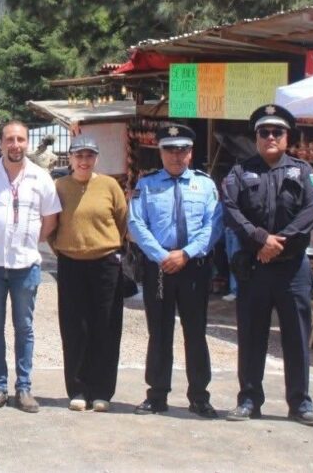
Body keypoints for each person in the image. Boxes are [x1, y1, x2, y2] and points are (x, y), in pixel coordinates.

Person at [222, 104, 313, 427]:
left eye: (276, 132)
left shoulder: (303, 171)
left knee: (296, 337)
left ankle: (300, 403)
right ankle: (249, 399)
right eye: (263, 132)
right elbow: (230, 209)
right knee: (251, 336)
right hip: (255, 267)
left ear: (287, 137)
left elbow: (312, 211)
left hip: (292, 268)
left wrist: (277, 244)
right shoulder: (240, 172)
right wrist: (260, 239)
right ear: (256, 137)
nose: (270, 137)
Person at [128, 123, 221, 418]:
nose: (176, 156)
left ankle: (199, 397)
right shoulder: (147, 184)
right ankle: (157, 395)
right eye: (170, 150)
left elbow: (214, 225)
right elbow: (136, 223)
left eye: (182, 150)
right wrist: (161, 255)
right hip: (159, 267)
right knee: (159, 332)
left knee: (196, 332)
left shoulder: (205, 185)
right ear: (161, 152)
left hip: (193, 266)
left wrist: (186, 253)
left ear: (191, 153)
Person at [0, 121, 61, 413]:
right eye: (10, 139)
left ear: (27, 143)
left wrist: (29, 241)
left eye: (20, 139)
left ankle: (24, 388)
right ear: (1, 143)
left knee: (24, 328)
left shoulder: (41, 177)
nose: (15, 145)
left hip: (26, 265)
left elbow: (50, 219)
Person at [48, 135, 128, 412]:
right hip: (71, 263)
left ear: (96, 158)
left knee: (106, 326)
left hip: (105, 264)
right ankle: (78, 389)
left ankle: (102, 391)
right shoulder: (59, 187)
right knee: (74, 328)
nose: (84, 161)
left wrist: (105, 246)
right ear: (70, 158)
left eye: (89, 156)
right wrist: (64, 249)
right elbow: (52, 225)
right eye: (79, 156)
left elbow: (122, 220)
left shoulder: (110, 185)